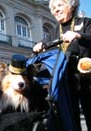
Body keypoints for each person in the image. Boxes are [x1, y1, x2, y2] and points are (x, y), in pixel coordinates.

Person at [33, 0, 91, 130]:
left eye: (59, 5)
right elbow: (44, 43)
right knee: (71, 118)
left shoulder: (85, 22)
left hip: (87, 79)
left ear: (71, 6)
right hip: (66, 81)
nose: (55, 10)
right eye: (53, 8)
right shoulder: (54, 31)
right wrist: (39, 45)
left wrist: (78, 35)